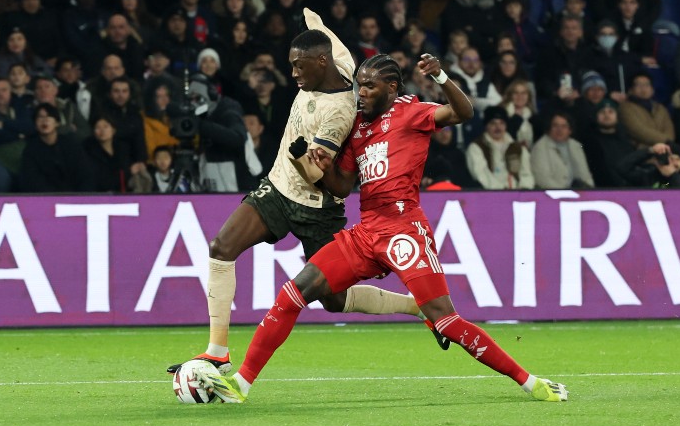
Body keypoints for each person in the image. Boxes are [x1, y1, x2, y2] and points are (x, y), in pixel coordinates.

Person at [196, 53, 567, 404]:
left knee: (446, 318)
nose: (363, 93)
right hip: (366, 231)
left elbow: (462, 112)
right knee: (294, 293)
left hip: (404, 229)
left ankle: (530, 382)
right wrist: (306, 162)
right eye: (360, 85)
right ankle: (240, 384)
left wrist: (440, 76)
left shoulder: (412, 112)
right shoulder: (357, 128)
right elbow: (341, 186)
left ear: (392, 88)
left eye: (371, 86)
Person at [185, 9, 442, 376]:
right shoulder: (336, 59)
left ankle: (418, 307)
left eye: (298, 66)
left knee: (334, 301)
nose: (293, 74)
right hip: (277, 188)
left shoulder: (338, 112)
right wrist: (311, 19)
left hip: (316, 206)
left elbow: (319, 175)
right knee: (221, 247)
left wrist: (300, 156)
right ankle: (217, 352)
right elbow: (323, 32)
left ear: (320, 63)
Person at [18, 104, 93, 193]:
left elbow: (85, 174)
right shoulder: (30, 150)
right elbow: (32, 181)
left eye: (49, 116)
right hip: (46, 200)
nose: (45, 121)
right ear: (35, 124)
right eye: (40, 117)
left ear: (57, 123)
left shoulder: (71, 145)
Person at [465, 105, 535, 190]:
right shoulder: (476, 148)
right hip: (491, 196)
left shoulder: (518, 148)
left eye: (501, 123)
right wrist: (502, 192)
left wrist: (524, 191)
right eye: (493, 123)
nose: (498, 127)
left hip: (518, 196)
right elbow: (481, 174)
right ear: (486, 126)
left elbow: (527, 173)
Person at [531, 111, 594, 189]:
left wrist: (590, 191)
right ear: (549, 128)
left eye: (564, 126)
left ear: (570, 130)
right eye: (555, 125)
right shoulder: (540, 147)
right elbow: (542, 179)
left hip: (578, 194)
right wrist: (564, 193)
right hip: (552, 195)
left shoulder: (576, 145)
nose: (559, 129)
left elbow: (585, 175)